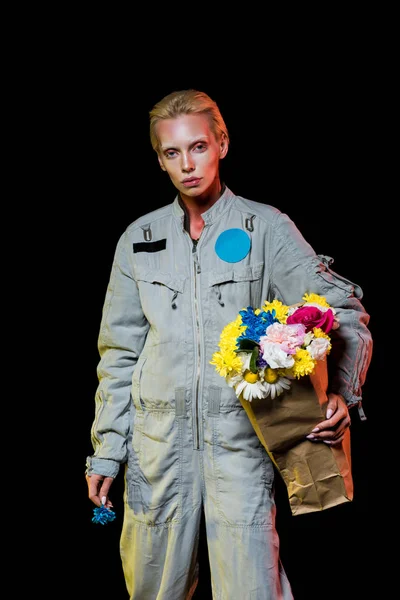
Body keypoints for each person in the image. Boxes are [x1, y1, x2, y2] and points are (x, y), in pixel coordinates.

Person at [85, 89, 373, 599]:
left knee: (252, 590)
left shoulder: (265, 228)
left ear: (222, 143)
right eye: (172, 153)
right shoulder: (138, 240)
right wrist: (107, 453)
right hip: (155, 452)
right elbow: (119, 355)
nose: (187, 165)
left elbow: (342, 312)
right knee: (152, 590)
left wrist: (341, 395)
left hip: (239, 447)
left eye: (198, 147)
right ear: (159, 160)